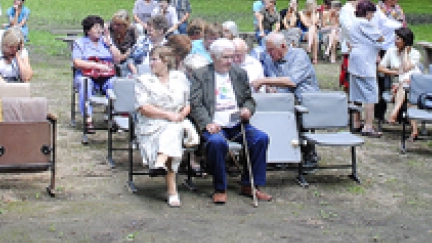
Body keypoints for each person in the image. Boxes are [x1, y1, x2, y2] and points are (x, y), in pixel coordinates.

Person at [188, 39, 271, 205]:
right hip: (214, 124)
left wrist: (248, 110)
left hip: (237, 123)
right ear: (213, 57)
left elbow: (248, 99)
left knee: (261, 139)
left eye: (232, 57)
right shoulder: (201, 75)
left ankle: (250, 184)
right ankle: (220, 188)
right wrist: (206, 123)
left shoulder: (239, 73)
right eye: (225, 57)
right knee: (217, 142)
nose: (230, 61)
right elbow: (195, 103)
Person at [135, 46, 195, 207]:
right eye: (151, 59)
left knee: (173, 130)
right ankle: (172, 190)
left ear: (166, 61)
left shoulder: (180, 77)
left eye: (154, 59)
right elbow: (144, 108)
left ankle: (160, 163)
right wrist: (169, 116)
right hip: (151, 123)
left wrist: (181, 115)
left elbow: (188, 103)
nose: (151, 63)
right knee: (172, 133)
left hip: (177, 120)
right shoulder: (143, 80)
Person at [72, 15, 121, 131]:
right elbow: (77, 62)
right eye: (96, 28)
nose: (99, 30)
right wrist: (96, 65)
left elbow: (118, 59)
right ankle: (88, 118)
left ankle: (113, 115)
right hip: (87, 75)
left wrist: (109, 44)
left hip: (106, 76)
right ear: (88, 30)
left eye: (101, 28)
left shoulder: (105, 42)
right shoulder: (80, 43)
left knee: (115, 83)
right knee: (85, 83)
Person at [347, 0, 385, 137]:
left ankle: (356, 121)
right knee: (371, 93)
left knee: (356, 91)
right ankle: (368, 126)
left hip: (356, 58)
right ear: (367, 12)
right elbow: (380, 37)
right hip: (364, 61)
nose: (372, 17)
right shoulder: (363, 22)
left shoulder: (354, 23)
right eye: (371, 14)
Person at [380, 27, 422, 140]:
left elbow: (407, 67)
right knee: (408, 98)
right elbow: (380, 68)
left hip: (413, 84)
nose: (395, 41)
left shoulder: (415, 54)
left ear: (405, 40)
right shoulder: (391, 51)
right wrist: (394, 72)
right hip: (399, 84)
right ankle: (414, 131)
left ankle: (394, 112)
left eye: (398, 39)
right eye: (395, 38)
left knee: (405, 86)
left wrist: (405, 54)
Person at [254, 32, 320, 97]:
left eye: (271, 50)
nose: (268, 53)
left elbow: (291, 81)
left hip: (306, 101)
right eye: (267, 50)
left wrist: (264, 81)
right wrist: (268, 87)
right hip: (284, 102)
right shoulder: (269, 59)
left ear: (283, 46)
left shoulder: (299, 55)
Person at [109, 11, 139, 76]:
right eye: (114, 23)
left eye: (118, 24)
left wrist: (124, 56)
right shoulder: (109, 29)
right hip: (112, 56)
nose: (115, 26)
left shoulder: (132, 30)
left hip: (127, 57)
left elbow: (134, 47)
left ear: (125, 25)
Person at [299, 0, 322, 64]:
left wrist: (313, 13)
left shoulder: (316, 13)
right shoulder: (301, 13)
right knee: (313, 29)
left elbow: (314, 22)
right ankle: (315, 58)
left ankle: (309, 47)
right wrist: (312, 25)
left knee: (314, 32)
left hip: (314, 34)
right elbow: (306, 24)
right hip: (303, 33)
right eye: (313, 7)